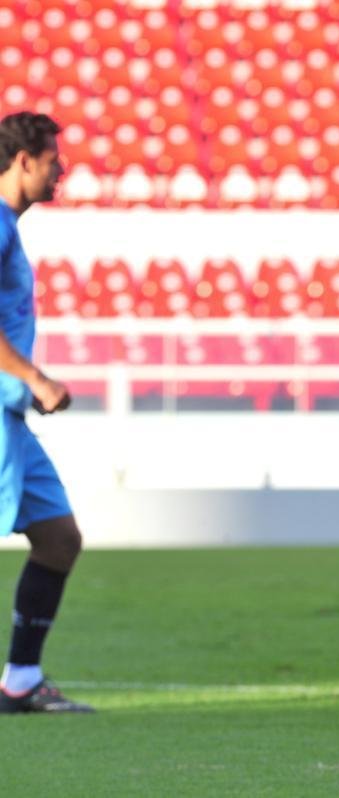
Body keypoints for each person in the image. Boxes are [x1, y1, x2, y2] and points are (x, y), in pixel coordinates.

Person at [0, 112, 92, 713]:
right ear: (25, 160)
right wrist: (34, 375)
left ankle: (21, 680)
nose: (61, 170)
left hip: (11, 414)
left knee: (58, 538)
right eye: (54, 160)